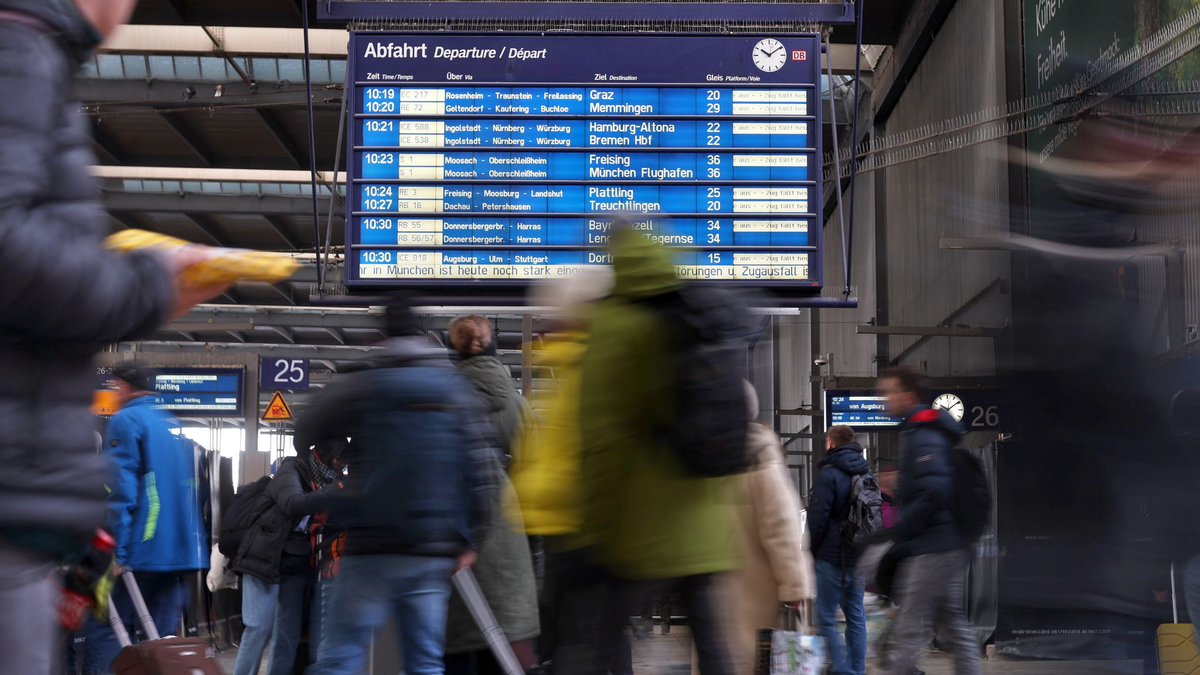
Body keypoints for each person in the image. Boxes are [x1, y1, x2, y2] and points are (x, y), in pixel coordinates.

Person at [0, 2, 225, 672]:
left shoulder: (34, 55)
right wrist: (144, 286)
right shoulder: (21, 50)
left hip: (92, 531)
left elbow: (127, 490)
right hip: (137, 541)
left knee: (108, 643)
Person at [296, 294, 500, 675]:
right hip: (431, 548)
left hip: (370, 544)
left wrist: (341, 436)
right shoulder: (455, 390)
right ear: (423, 334)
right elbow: (481, 471)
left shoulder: (367, 381)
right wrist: (472, 540)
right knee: (424, 663)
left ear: (383, 335)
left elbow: (305, 426)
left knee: (340, 659)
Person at [572, 226, 739, 675]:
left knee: (591, 642)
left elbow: (604, 439)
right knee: (713, 648)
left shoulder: (615, 323)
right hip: (703, 524)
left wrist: (595, 526)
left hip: (640, 522)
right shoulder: (695, 308)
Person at [508, 268, 618, 672]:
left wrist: (524, 496)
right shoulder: (591, 367)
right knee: (586, 641)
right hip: (584, 527)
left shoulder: (580, 368)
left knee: (574, 641)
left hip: (569, 528)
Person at [86, 364, 209, 674]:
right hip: (175, 554)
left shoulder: (127, 419)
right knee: (162, 642)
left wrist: (118, 550)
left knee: (108, 629)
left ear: (126, 388)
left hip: (140, 551)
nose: (113, 394)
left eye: (114, 387)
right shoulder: (166, 422)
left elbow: (121, 490)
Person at [447, 314, 540, 675]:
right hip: (511, 553)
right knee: (504, 657)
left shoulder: (441, 404)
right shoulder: (519, 407)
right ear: (495, 350)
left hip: (456, 555)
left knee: (456, 654)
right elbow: (534, 487)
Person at [878, 366, 981, 675]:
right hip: (941, 543)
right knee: (952, 623)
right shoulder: (918, 432)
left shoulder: (923, 434)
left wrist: (901, 526)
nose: (885, 399)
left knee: (910, 623)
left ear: (908, 395)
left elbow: (935, 489)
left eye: (889, 392)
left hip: (933, 546)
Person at [716, 382, 815, 675]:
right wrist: (795, 586)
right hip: (758, 595)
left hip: (716, 593)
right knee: (763, 663)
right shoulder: (761, 457)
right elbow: (782, 529)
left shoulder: (703, 459)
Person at [230, 440, 344, 675]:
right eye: (339, 462)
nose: (341, 467)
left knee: (287, 633)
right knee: (259, 628)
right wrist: (336, 490)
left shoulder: (326, 479)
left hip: (295, 561)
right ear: (326, 457)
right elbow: (293, 504)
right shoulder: (290, 470)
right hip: (263, 557)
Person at [806, 425, 870, 675]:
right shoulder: (866, 473)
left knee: (826, 619)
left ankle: (841, 671)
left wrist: (810, 551)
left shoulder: (828, 474)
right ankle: (857, 670)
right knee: (855, 618)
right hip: (857, 557)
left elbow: (817, 518)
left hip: (831, 558)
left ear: (830, 443)